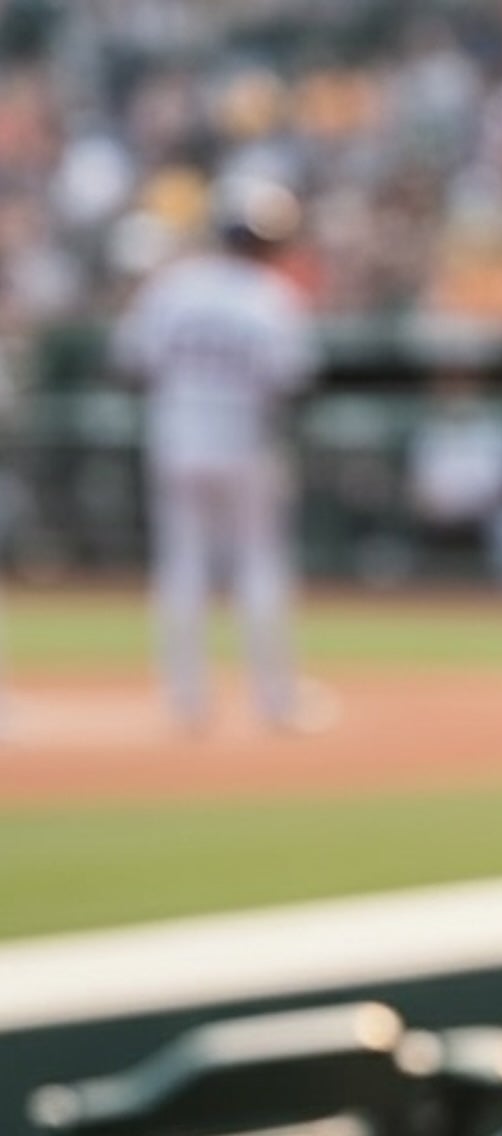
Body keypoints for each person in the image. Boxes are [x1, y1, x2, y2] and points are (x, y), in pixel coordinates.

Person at [113, 179, 317, 732]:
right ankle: (275, 701)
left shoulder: (175, 286)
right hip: (245, 445)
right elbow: (291, 384)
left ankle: (188, 701)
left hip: (177, 441)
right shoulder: (272, 297)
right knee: (257, 567)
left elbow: (132, 366)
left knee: (183, 567)